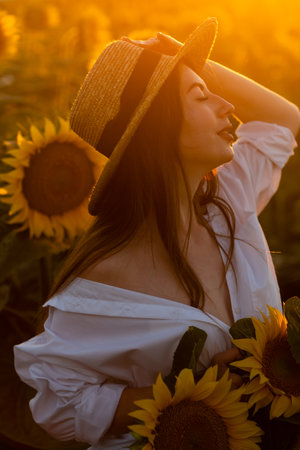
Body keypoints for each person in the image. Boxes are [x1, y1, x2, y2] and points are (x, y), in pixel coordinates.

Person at [14, 17, 299, 450]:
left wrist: (189, 60)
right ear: (158, 129)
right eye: (200, 96)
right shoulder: (102, 281)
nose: (228, 106)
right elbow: (60, 407)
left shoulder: (229, 202)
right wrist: (193, 393)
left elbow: (285, 118)